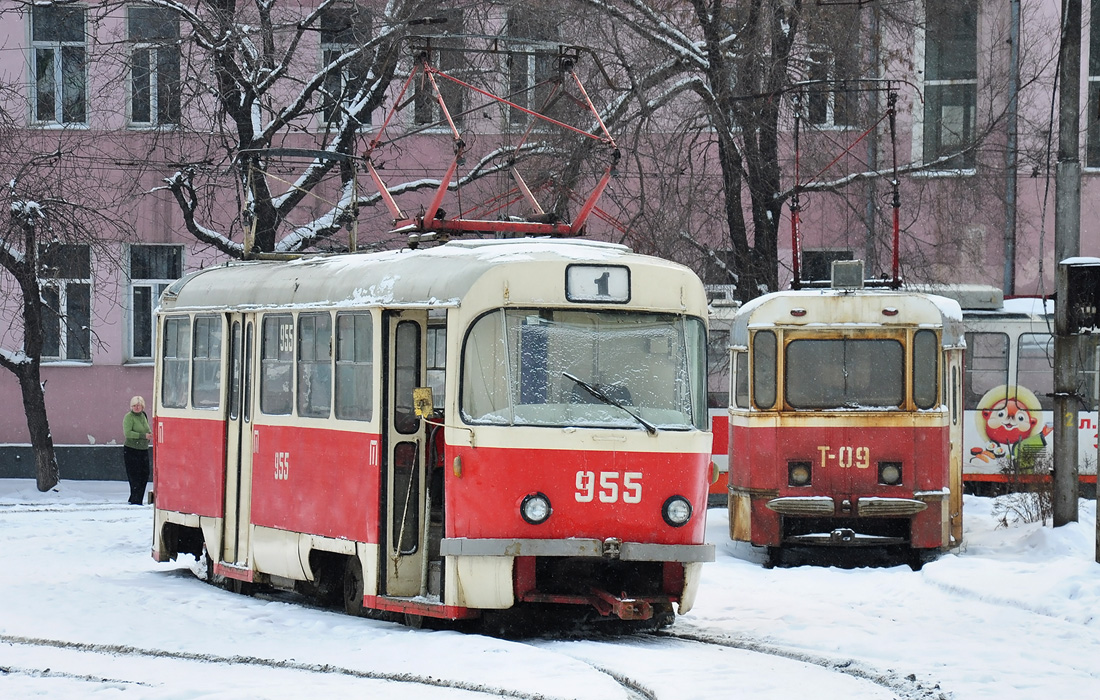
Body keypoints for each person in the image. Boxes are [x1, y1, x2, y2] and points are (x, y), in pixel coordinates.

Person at [123, 396, 152, 505]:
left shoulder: (143, 416)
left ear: (142, 406)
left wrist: (148, 436)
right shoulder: (129, 417)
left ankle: (136, 499)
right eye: (134, 405)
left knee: (144, 474)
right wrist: (143, 436)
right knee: (134, 476)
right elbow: (128, 433)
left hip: (143, 449)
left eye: (138, 405)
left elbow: (146, 428)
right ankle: (136, 500)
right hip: (131, 450)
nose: (136, 407)